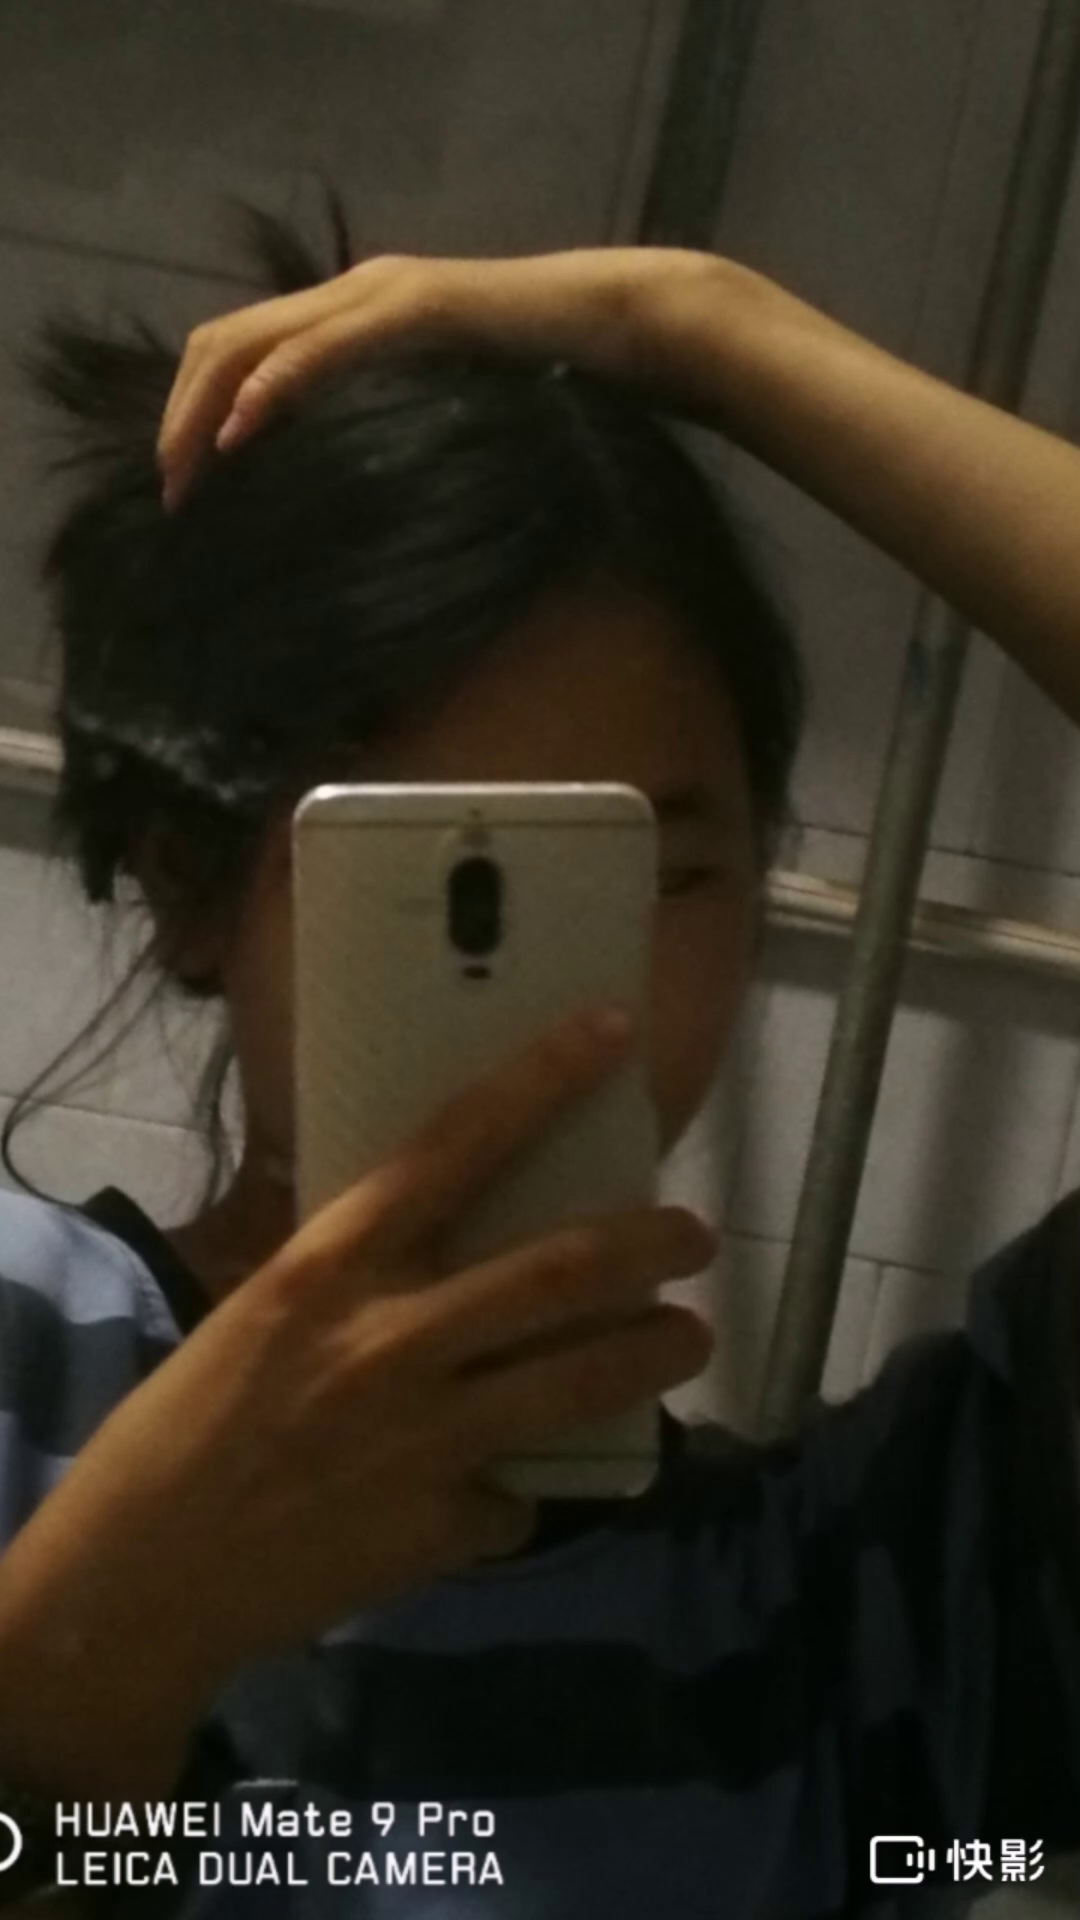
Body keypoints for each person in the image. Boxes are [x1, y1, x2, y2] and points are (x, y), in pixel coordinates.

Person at [0, 205, 1077, 1920]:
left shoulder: (851, 1633)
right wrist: (84, 1658)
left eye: (657, 873)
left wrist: (706, 326)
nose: (578, 1008)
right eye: (422, 869)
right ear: (190, 886)